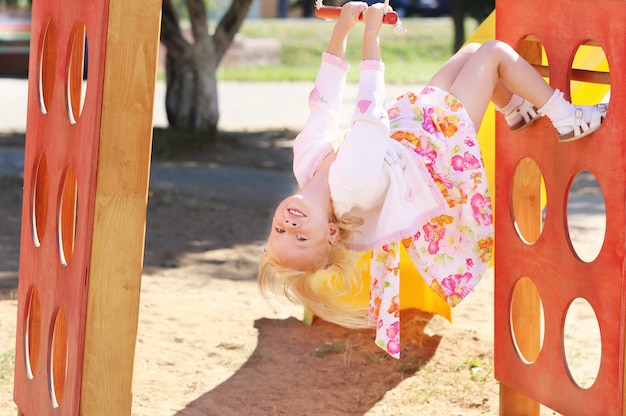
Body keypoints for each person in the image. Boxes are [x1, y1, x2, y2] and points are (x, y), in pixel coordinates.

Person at [258, 2, 608, 358]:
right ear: (331, 233)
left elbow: (324, 105)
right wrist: (371, 36)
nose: (289, 225)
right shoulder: (350, 185)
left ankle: (516, 109)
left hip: (411, 129)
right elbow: (368, 114)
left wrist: (340, 30)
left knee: (470, 52)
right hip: (437, 152)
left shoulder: (306, 163)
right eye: (301, 238)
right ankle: (566, 116)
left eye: (280, 231)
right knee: (494, 53)